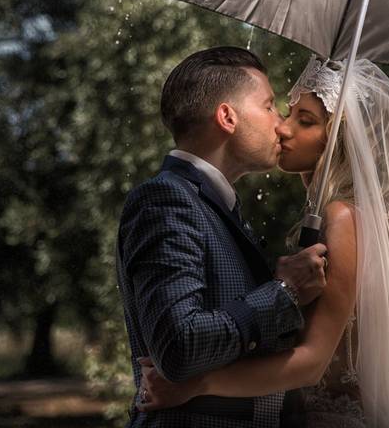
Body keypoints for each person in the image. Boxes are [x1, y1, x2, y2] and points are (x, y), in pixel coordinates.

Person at [137, 55, 389, 428]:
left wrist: (199, 384)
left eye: (305, 121)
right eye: (284, 111)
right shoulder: (320, 216)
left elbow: (312, 362)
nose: (282, 127)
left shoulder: (342, 218)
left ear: (338, 139)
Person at [117, 46, 330, 428]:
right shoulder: (166, 201)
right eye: (268, 106)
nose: (280, 124)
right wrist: (284, 293)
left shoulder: (215, 206)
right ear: (227, 116)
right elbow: (179, 346)